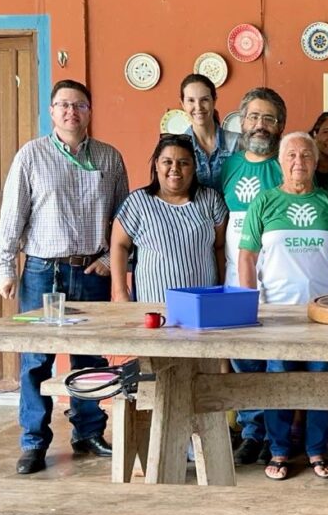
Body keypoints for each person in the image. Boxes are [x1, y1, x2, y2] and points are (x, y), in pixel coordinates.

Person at [0, 79, 128, 475]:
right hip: (42, 272)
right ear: (52, 111)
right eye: (63, 105)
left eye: (79, 105)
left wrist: (110, 260)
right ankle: (33, 441)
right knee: (36, 358)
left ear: (89, 111)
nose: (71, 112)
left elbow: (124, 218)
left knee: (91, 357)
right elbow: (12, 214)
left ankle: (88, 432)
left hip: (90, 270)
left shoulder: (109, 157)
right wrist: (4, 266)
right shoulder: (31, 156)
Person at [238, 132, 328, 481]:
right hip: (277, 314)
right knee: (279, 382)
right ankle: (278, 450)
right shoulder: (264, 201)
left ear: (316, 162)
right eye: (291, 155)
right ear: (280, 162)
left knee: (321, 381)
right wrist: (251, 303)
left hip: (323, 314)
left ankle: (316, 450)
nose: (298, 162)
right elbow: (247, 255)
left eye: (306, 155)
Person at [219, 87, 286, 466]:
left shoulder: (288, 164)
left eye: (269, 118)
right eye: (254, 117)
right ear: (242, 122)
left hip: (278, 286)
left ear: (280, 126)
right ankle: (251, 432)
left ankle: (276, 437)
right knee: (245, 362)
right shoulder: (227, 168)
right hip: (235, 281)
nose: (261, 125)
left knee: (276, 363)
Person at [110, 135, 227, 303]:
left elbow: (220, 247)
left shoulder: (210, 200)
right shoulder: (138, 202)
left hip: (203, 305)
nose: (175, 169)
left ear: (194, 167)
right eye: (167, 162)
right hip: (153, 306)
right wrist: (120, 293)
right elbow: (119, 245)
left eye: (183, 163)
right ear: (156, 164)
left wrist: (224, 288)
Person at [180, 73, 240, 188]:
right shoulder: (178, 147)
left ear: (214, 101)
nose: (198, 107)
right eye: (191, 100)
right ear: (183, 104)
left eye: (204, 100)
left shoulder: (237, 142)